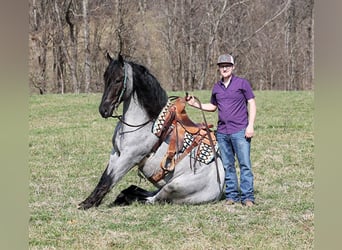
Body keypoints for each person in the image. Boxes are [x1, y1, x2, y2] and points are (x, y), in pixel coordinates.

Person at [186, 54, 256, 207]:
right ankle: (232, 196)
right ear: (218, 68)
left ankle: (247, 197)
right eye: (222, 66)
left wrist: (250, 125)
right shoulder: (217, 87)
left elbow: (251, 103)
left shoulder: (242, 83)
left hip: (240, 131)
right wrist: (194, 104)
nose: (224, 68)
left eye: (227, 65)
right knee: (227, 165)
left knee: (244, 164)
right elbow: (212, 107)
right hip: (223, 132)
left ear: (233, 67)